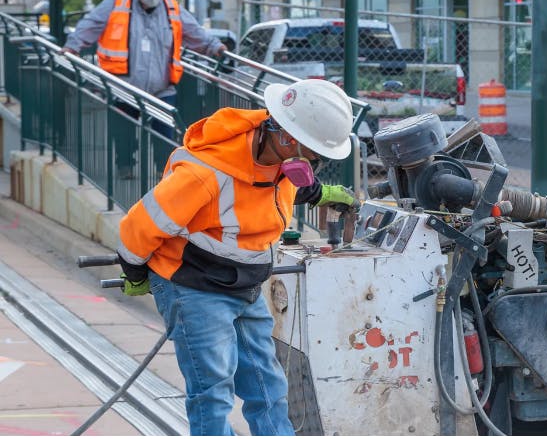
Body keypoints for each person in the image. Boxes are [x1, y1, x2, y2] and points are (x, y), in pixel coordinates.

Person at [116, 79, 362, 435]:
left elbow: (284, 185)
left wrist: (324, 194)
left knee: (267, 386)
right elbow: (138, 226)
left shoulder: (280, 160)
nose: (316, 165)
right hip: (193, 285)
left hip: (244, 283)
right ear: (288, 139)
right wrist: (135, 272)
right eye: (315, 156)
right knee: (213, 392)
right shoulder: (205, 173)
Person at [63, 0, 227, 178]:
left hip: (162, 89)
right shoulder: (116, 3)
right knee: (123, 132)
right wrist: (72, 47)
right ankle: (125, 167)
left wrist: (215, 47)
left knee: (165, 135)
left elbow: (195, 32)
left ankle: (164, 172)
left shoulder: (172, 8)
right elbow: (89, 25)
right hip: (123, 86)